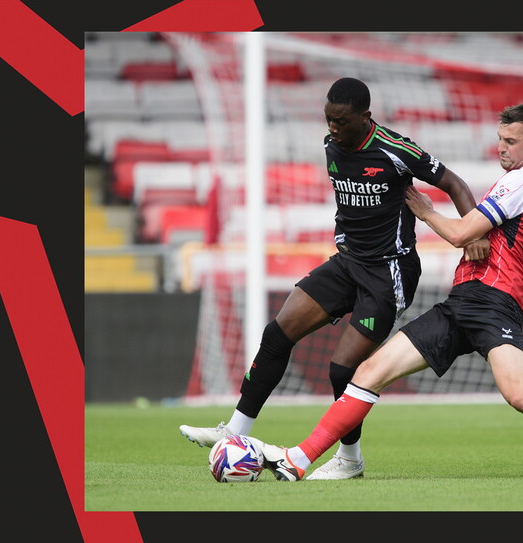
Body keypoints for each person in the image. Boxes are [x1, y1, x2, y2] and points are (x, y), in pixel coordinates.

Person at [250, 101, 523, 482]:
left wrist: (425, 211)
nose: (501, 148)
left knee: (520, 395)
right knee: (368, 373)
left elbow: (462, 233)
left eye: (511, 141)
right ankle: (298, 460)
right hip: (461, 301)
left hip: (495, 304)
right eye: (500, 139)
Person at [180, 77, 489, 480]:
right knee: (277, 334)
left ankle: (350, 461)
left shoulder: (396, 150)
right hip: (346, 264)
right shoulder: (332, 144)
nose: (332, 128)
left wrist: (475, 234)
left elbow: (454, 183)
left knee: (343, 370)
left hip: (388, 271)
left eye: (340, 121)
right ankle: (234, 433)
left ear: (365, 117)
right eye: (328, 119)